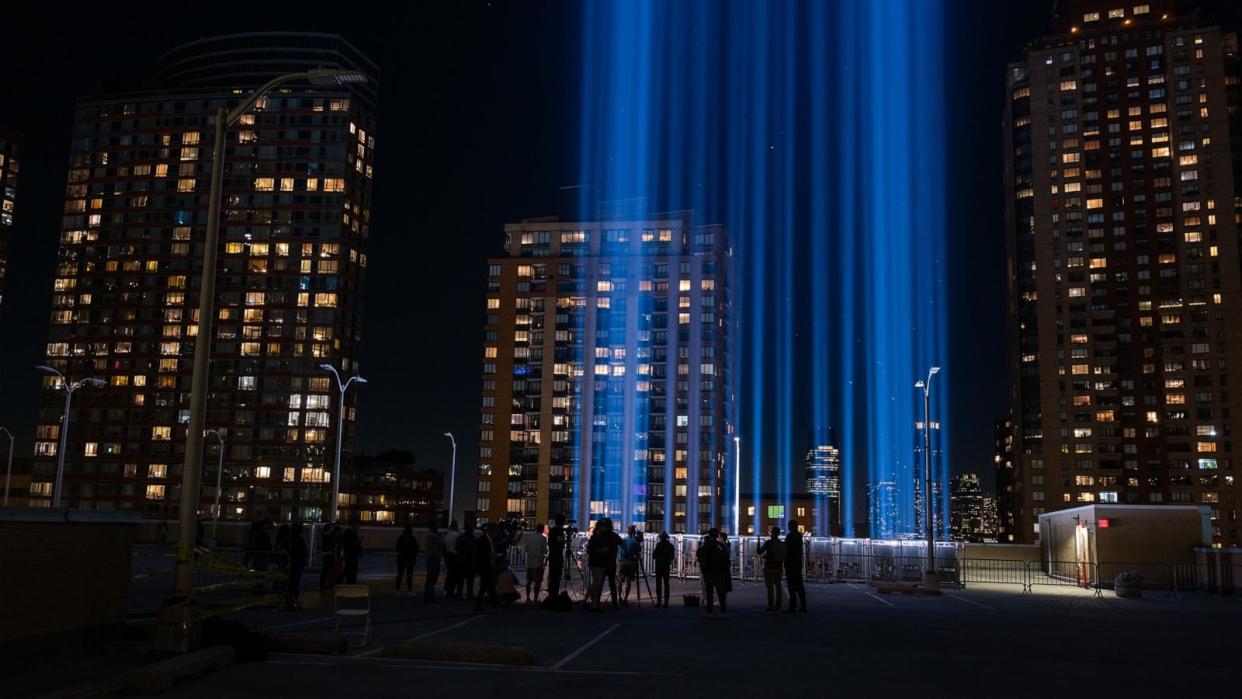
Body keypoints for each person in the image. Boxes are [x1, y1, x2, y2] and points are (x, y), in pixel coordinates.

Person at [697, 528, 730, 615]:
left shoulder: (705, 546)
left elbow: (699, 555)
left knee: (709, 592)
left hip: (709, 572)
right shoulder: (721, 546)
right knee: (720, 592)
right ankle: (723, 610)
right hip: (719, 573)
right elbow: (726, 558)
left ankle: (710, 610)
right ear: (716, 536)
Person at [757, 525, 786, 613]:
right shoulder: (781, 543)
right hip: (778, 568)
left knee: (770, 588)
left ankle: (770, 606)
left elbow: (759, 552)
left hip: (769, 567)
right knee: (778, 587)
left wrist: (758, 541)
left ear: (772, 533)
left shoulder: (768, 543)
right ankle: (778, 606)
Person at [474, 524, 498, 611]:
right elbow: (481, 553)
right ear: (490, 531)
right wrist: (491, 555)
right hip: (485, 565)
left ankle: (494, 601)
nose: (495, 534)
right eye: (494, 532)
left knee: (488, 584)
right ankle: (492, 601)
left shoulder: (489, 539)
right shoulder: (483, 540)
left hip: (488, 565)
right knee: (486, 585)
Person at [784, 519, 807, 612]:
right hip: (797, 563)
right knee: (799, 586)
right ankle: (803, 606)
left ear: (792, 526)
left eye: (789, 525)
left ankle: (792, 607)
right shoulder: (799, 536)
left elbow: (786, 549)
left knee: (791, 586)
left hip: (790, 564)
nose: (788, 527)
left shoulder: (790, 536)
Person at [523, 523, 548, 604]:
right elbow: (545, 551)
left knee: (529, 581)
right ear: (542, 529)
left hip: (530, 562)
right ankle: (535, 599)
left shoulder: (530, 537)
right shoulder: (543, 538)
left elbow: (526, 549)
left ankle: (527, 598)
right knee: (537, 582)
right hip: (538, 563)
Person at [285, 521, 307, 611]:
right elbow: (302, 551)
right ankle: (293, 597)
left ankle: (291, 597)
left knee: (292, 579)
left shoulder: (291, 539)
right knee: (295, 580)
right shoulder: (299, 539)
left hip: (294, 561)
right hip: (298, 561)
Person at [619, 526, 642, 605]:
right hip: (631, 563)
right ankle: (625, 599)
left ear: (627, 532)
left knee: (619, 581)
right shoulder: (634, 542)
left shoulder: (623, 540)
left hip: (622, 562)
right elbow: (638, 551)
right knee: (628, 581)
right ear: (633, 533)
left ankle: (619, 597)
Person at [546, 514, 567, 598]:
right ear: (563, 521)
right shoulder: (558, 531)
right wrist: (564, 541)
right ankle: (554, 596)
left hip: (552, 556)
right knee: (556, 577)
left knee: (552, 577)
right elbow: (559, 541)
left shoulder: (552, 530)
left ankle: (552, 595)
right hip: (557, 557)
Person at [652, 530, 675, 608]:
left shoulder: (659, 545)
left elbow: (654, 555)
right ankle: (666, 602)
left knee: (658, 584)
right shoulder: (671, 546)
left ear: (660, 538)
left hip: (659, 566)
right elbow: (672, 557)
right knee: (666, 584)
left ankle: (659, 601)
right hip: (666, 567)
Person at [396, 524, 419, 595]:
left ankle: (397, 590)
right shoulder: (413, 539)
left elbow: (397, 548)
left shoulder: (401, 538)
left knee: (400, 574)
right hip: (410, 559)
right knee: (409, 575)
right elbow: (416, 549)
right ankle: (409, 590)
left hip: (402, 558)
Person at [455, 524, 476, 599]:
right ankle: (469, 594)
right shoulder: (473, 539)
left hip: (462, 561)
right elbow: (475, 551)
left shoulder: (460, 538)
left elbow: (457, 548)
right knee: (470, 580)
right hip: (470, 562)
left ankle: (459, 594)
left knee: (460, 579)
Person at [423, 525, 444, 603]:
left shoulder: (428, 535)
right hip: (434, 558)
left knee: (429, 579)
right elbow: (443, 544)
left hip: (428, 558)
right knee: (432, 579)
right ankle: (430, 597)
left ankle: (427, 596)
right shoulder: (435, 536)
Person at [340, 520, 362, 585]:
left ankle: (348, 583)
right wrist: (357, 543)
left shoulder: (351, 532)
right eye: (357, 526)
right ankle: (349, 583)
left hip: (351, 554)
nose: (358, 527)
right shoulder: (349, 532)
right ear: (354, 526)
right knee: (349, 570)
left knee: (349, 570)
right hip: (350, 555)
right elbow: (350, 544)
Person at [443, 520, 461, 598]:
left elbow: (444, 545)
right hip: (454, 555)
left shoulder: (448, 535)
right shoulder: (457, 535)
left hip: (448, 555)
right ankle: (452, 591)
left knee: (449, 573)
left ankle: (447, 590)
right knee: (454, 574)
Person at [319, 522, 339, 590]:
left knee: (327, 569)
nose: (333, 528)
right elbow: (330, 544)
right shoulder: (327, 535)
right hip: (328, 553)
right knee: (326, 569)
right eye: (331, 527)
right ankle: (324, 584)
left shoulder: (329, 535)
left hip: (328, 553)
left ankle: (327, 583)